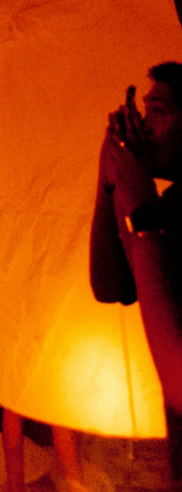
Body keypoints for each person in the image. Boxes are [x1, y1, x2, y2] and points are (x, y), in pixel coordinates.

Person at [90, 63, 182, 482]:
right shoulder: (173, 206)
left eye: (158, 110)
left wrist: (142, 206)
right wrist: (108, 182)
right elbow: (110, 286)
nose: (144, 123)